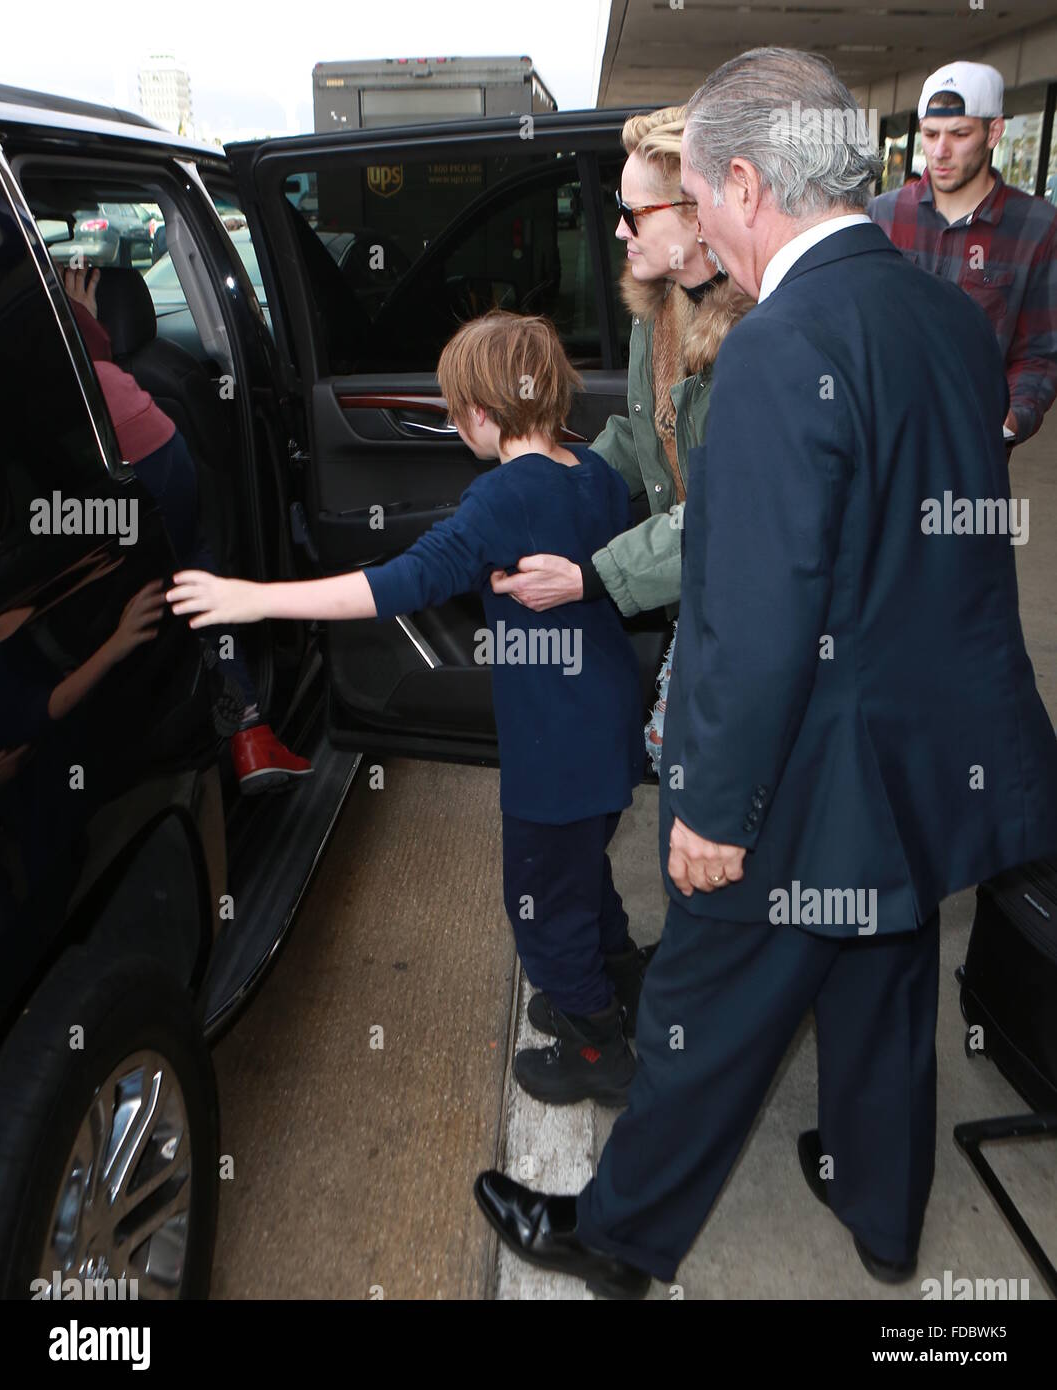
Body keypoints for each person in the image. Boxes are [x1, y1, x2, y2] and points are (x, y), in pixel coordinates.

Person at [473, 45, 1057, 1299]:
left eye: (689, 197)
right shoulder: (946, 317)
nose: (690, 236)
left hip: (804, 762)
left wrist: (707, 808)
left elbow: (756, 608)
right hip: (927, 744)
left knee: (699, 998)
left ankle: (616, 1240)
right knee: (882, 966)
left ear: (742, 183)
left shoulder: (776, 352)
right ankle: (878, 1206)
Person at [167, 310, 646, 1107]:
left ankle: (599, 1046)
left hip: (554, 756)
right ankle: (620, 974)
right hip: (604, 730)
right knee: (578, 871)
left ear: (482, 415)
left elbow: (393, 587)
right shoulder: (594, 472)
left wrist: (250, 598)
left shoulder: (496, 500)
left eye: (456, 412)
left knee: (539, 905)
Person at [489, 106, 752, 1042]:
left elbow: (727, 520)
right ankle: (652, 989)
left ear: (697, 211)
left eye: (634, 213)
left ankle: (665, 1040)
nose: (616, 230)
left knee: (698, 832)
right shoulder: (660, 315)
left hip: (747, 610)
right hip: (698, 609)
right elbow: (645, 448)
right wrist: (568, 476)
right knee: (680, 820)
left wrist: (593, 573)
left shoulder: (759, 338)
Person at [61, 266, 312, 793]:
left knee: (186, 571)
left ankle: (240, 721)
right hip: (147, 439)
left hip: (130, 445)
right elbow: (95, 364)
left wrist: (76, 315)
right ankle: (249, 732)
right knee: (191, 571)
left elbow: (81, 370)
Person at [869, 61, 1057, 447]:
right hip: (878, 441)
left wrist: (1012, 418)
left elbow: (1041, 351)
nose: (939, 151)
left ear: (994, 132)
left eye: (959, 134)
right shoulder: (882, 215)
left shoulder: (1037, 228)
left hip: (970, 450)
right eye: (930, 133)